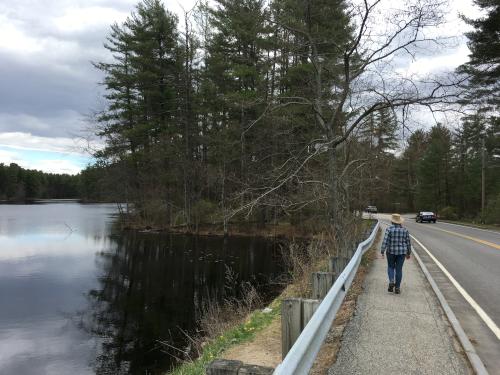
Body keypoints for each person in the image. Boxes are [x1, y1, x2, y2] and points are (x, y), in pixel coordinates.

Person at [380, 213, 411, 294]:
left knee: (390, 267)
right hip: (402, 253)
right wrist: (408, 253)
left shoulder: (389, 229)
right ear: (400, 222)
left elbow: (385, 241)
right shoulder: (405, 230)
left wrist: (382, 251)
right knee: (399, 269)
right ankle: (397, 288)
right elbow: (408, 243)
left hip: (390, 252)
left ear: (392, 221)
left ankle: (391, 281)